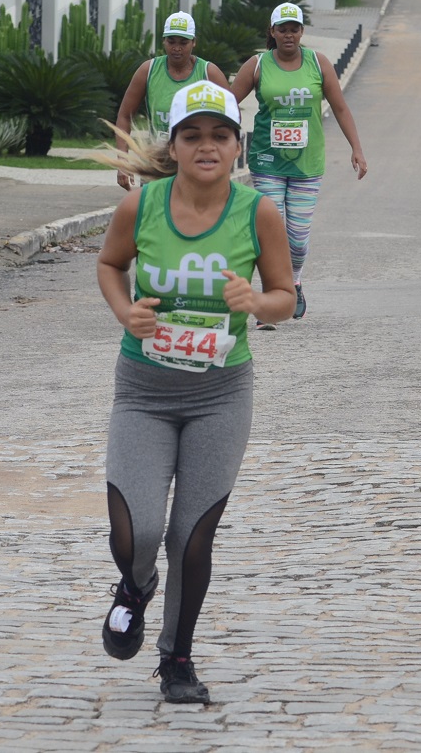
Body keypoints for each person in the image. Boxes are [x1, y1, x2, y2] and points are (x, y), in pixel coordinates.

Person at [94, 80, 294, 703]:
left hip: (220, 395)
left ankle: (176, 659)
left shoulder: (259, 213)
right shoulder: (142, 206)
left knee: (190, 535)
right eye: (193, 135)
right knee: (138, 533)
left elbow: (286, 298)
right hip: (144, 391)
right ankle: (136, 587)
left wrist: (255, 300)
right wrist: (126, 312)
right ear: (174, 146)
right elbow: (109, 265)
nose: (207, 146)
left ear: (238, 146)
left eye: (220, 135)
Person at [230, 2, 368, 327]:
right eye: (283, 29)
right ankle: (271, 297)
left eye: (294, 29)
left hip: (307, 164)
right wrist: (222, 141)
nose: (289, 35)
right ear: (272, 31)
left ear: (302, 32)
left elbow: (340, 107)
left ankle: (293, 281)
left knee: (297, 239)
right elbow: (226, 103)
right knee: (271, 231)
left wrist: (357, 148)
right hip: (267, 161)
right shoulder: (257, 65)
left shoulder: (318, 64)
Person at [114, 12, 231, 191]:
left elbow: (231, 118)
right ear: (163, 41)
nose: (177, 48)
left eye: (183, 43)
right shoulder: (148, 70)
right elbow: (124, 116)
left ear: (193, 42)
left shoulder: (208, 73)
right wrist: (123, 161)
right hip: (156, 166)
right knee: (153, 209)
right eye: (171, 41)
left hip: (196, 166)